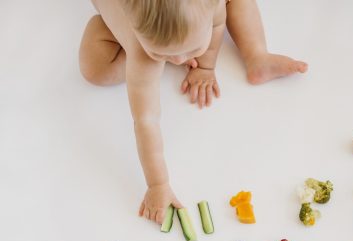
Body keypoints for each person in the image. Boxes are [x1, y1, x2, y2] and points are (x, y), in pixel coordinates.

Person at [79, 0, 308, 224]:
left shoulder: (213, 6)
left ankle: (257, 55)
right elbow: (145, 120)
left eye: (191, 49)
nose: (181, 60)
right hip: (127, 31)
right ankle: (155, 43)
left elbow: (217, 24)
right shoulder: (141, 53)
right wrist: (158, 184)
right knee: (94, 70)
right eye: (163, 53)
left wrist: (206, 66)